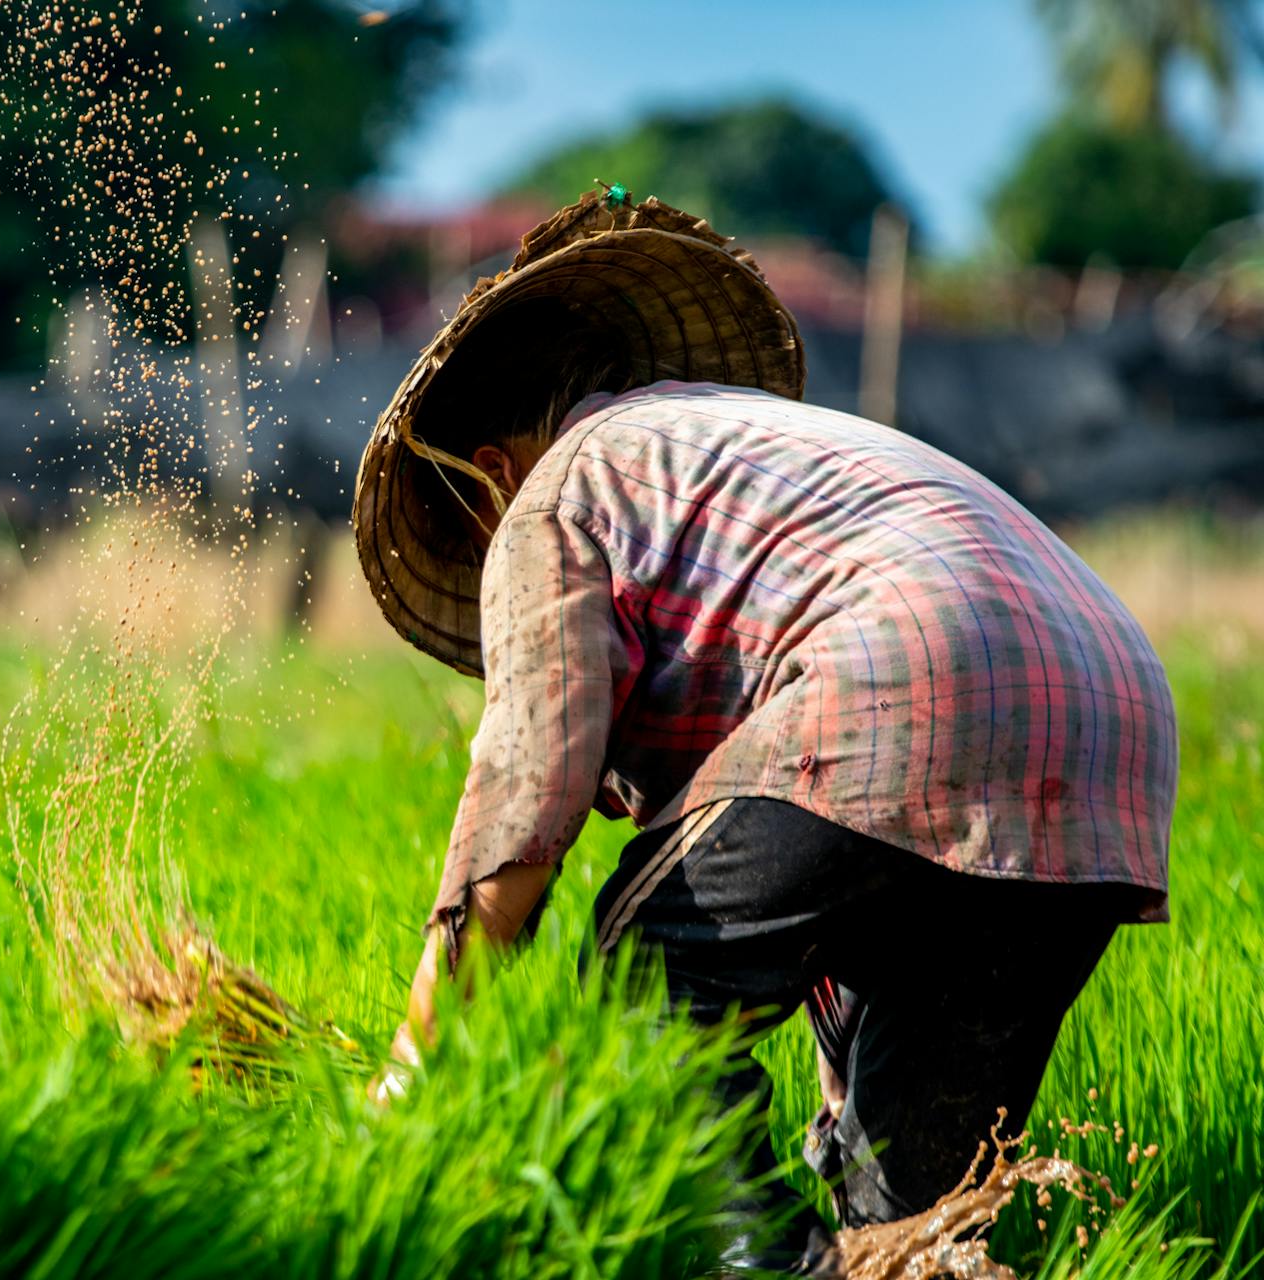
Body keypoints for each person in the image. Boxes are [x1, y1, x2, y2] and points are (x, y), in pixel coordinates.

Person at [354, 189, 1175, 1272]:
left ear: (491, 468)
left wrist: (420, 1051)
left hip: (915, 662)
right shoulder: (740, 447)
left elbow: (525, 781)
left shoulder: (554, 490)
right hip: (1111, 713)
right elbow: (830, 877)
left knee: (638, 978)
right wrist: (837, 1109)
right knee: (906, 1219)